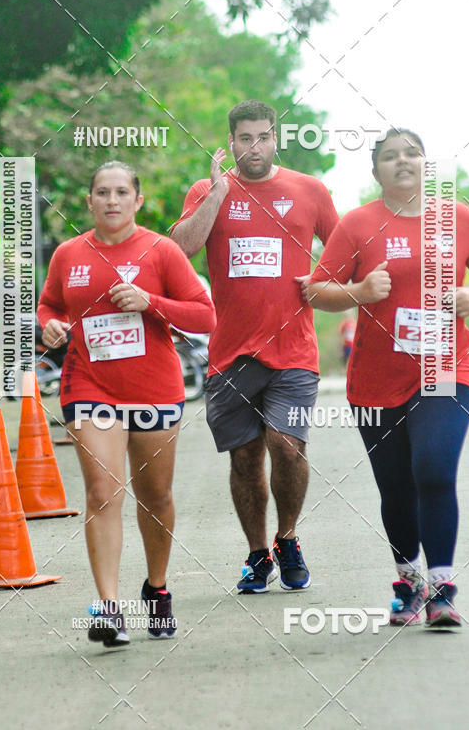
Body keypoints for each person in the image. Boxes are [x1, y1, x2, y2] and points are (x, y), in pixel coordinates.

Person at [307, 129, 469, 628]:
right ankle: (409, 581)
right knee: (396, 488)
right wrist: (358, 291)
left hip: (446, 367)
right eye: (390, 157)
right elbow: (315, 290)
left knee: (434, 469)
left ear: (426, 164)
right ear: (375, 171)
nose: (402, 162)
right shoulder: (358, 224)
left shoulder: (457, 217)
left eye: (412, 154)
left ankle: (442, 588)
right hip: (376, 379)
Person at [37, 161, 215, 645]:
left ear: (138, 200)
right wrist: (49, 324)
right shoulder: (69, 254)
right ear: (89, 201)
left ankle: (156, 588)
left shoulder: (162, 251)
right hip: (89, 386)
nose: (111, 200)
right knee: (102, 491)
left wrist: (150, 302)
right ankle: (109, 607)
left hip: (155, 389)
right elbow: (50, 304)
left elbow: (205, 316)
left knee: (155, 497)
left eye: (121, 192)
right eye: (102, 192)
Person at [170, 99, 338, 593]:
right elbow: (178, 250)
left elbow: (347, 248)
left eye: (263, 137)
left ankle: (288, 539)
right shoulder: (207, 190)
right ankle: (257, 553)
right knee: (244, 458)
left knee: (287, 446)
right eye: (245, 139)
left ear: (276, 138)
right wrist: (217, 195)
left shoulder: (309, 190)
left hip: (294, 350)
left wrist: (327, 282)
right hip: (230, 353)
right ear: (231, 142)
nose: (255, 147)